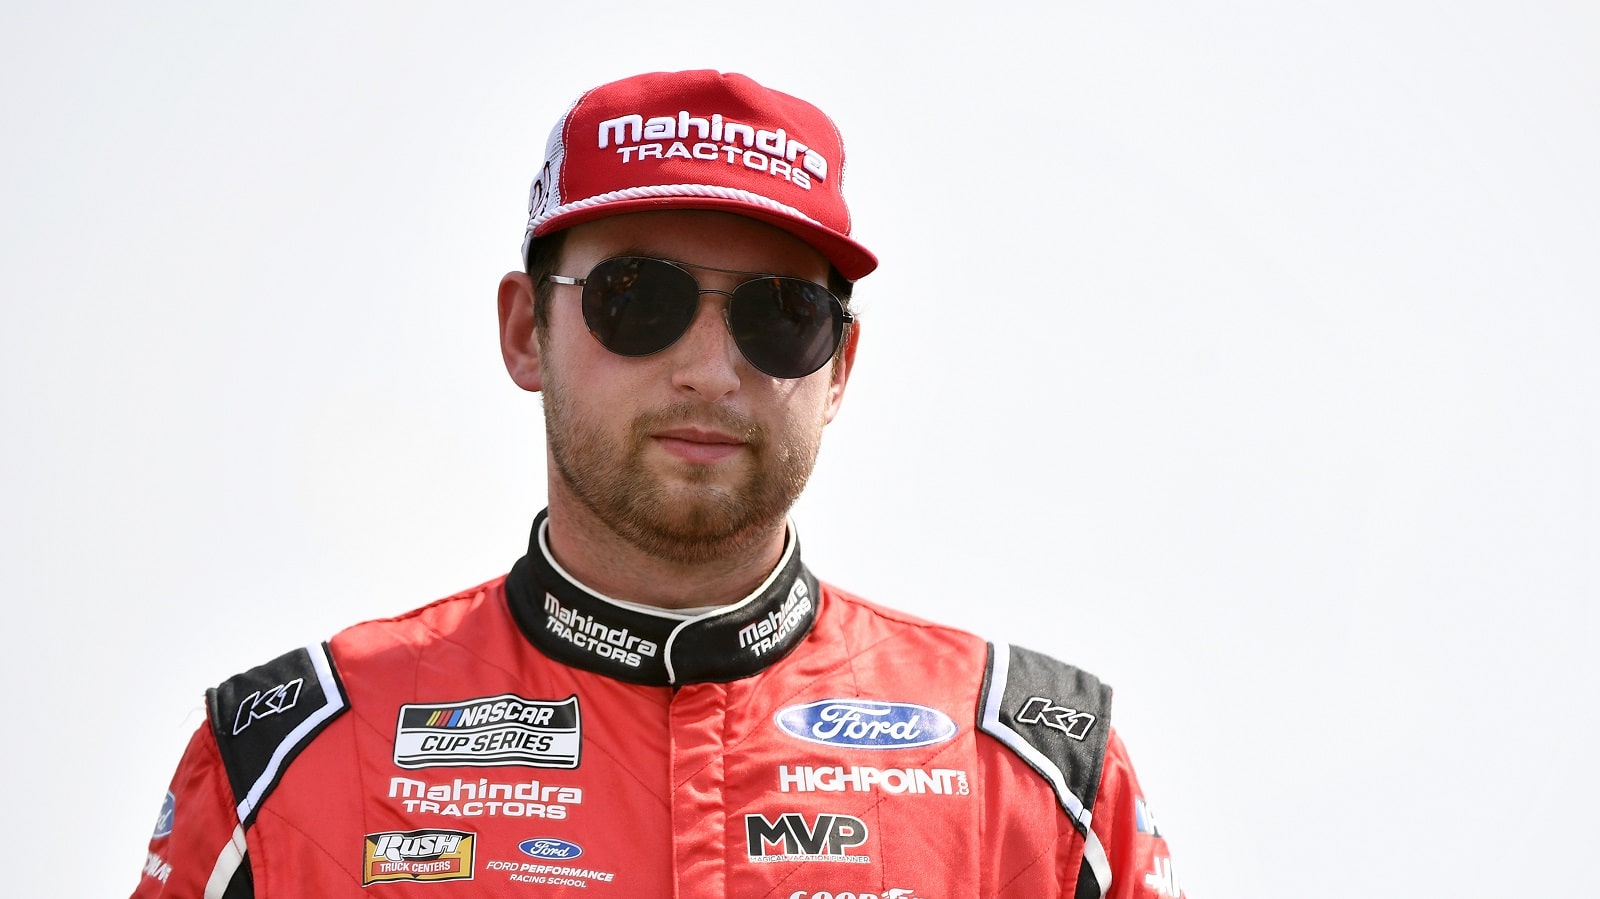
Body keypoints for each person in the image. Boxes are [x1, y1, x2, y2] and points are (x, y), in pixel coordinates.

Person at [131, 70, 1186, 899]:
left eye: (780, 314)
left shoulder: (1040, 768)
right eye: (640, 299)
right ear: (523, 329)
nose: (710, 369)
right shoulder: (289, 752)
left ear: (839, 370)